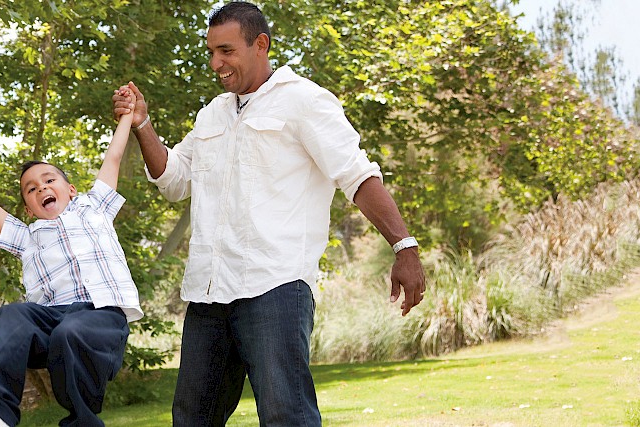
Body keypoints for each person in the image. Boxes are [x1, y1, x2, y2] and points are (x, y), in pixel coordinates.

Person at [111, 2, 427, 426]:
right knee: (191, 418)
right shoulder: (213, 114)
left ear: (261, 44)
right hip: (208, 292)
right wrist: (143, 125)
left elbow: (357, 176)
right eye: (211, 52)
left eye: (226, 51)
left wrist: (404, 246)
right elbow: (173, 179)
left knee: (286, 416)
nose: (215, 63)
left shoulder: (304, 101)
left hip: (274, 286)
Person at [0, 104, 144, 427]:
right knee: (11, 314)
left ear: (71, 190)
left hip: (102, 318)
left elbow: (114, 157)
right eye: (31, 189)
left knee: (71, 331)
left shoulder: (94, 208)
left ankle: (83, 421)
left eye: (49, 180)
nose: (41, 188)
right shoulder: (27, 237)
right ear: (29, 208)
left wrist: (127, 118)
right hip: (51, 323)